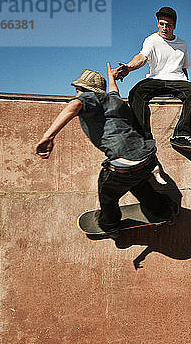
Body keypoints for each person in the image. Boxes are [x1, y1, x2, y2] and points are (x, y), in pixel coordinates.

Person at [36, 64, 181, 239]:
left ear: (81, 88)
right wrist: (111, 77)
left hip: (124, 161)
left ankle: (110, 225)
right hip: (147, 156)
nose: (77, 94)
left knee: (107, 194)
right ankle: (165, 211)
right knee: (138, 182)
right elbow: (114, 91)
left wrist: (48, 136)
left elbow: (74, 105)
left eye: (77, 90)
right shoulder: (114, 100)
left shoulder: (88, 98)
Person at [113, 7, 191, 152]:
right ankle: (144, 137)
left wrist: (188, 85)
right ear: (157, 24)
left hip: (177, 80)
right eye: (161, 24)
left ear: (174, 26)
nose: (164, 28)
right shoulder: (151, 40)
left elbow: (184, 68)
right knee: (136, 92)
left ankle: (182, 134)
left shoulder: (182, 45)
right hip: (156, 79)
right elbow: (141, 58)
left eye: (168, 25)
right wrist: (128, 68)